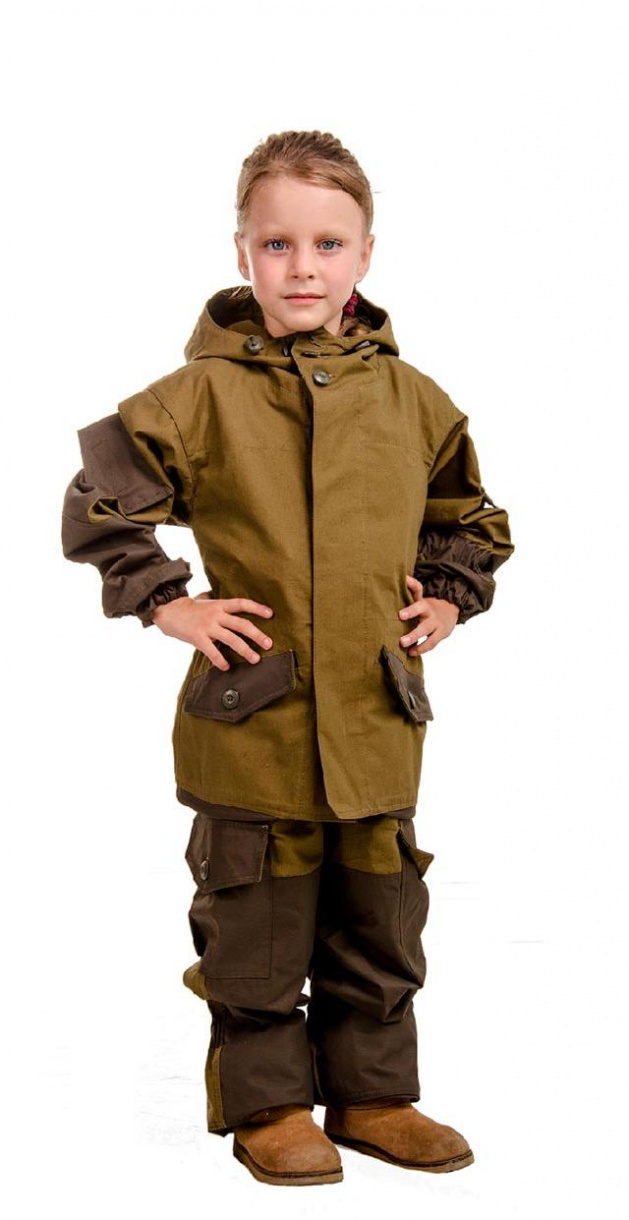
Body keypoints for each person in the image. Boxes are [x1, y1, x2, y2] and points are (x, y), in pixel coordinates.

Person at [61, 129, 515, 1187]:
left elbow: (470, 517)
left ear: (364, 254)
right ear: (241, 253)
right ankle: (267, 1105)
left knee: (379, 915)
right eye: (276, 244)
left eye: (326, 243)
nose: (301, 267)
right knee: (255, 924)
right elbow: (97, 500)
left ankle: (373, 1095)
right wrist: (169, 602)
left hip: (374, 716)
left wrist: (446, 595)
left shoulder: (414, 399)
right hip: (253, 716)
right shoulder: (195, 396)